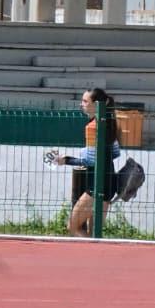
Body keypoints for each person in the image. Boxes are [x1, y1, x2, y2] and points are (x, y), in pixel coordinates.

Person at [49, 87, 121, 237]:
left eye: (85, 101)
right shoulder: (111, 122)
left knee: (72, 226)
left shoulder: (92, 127)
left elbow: (89, 160)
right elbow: (115, 153)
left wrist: (65, 160)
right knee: (95, 233)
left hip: (96, 183)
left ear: (96, 104)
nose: (81, 104)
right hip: (110, 181)